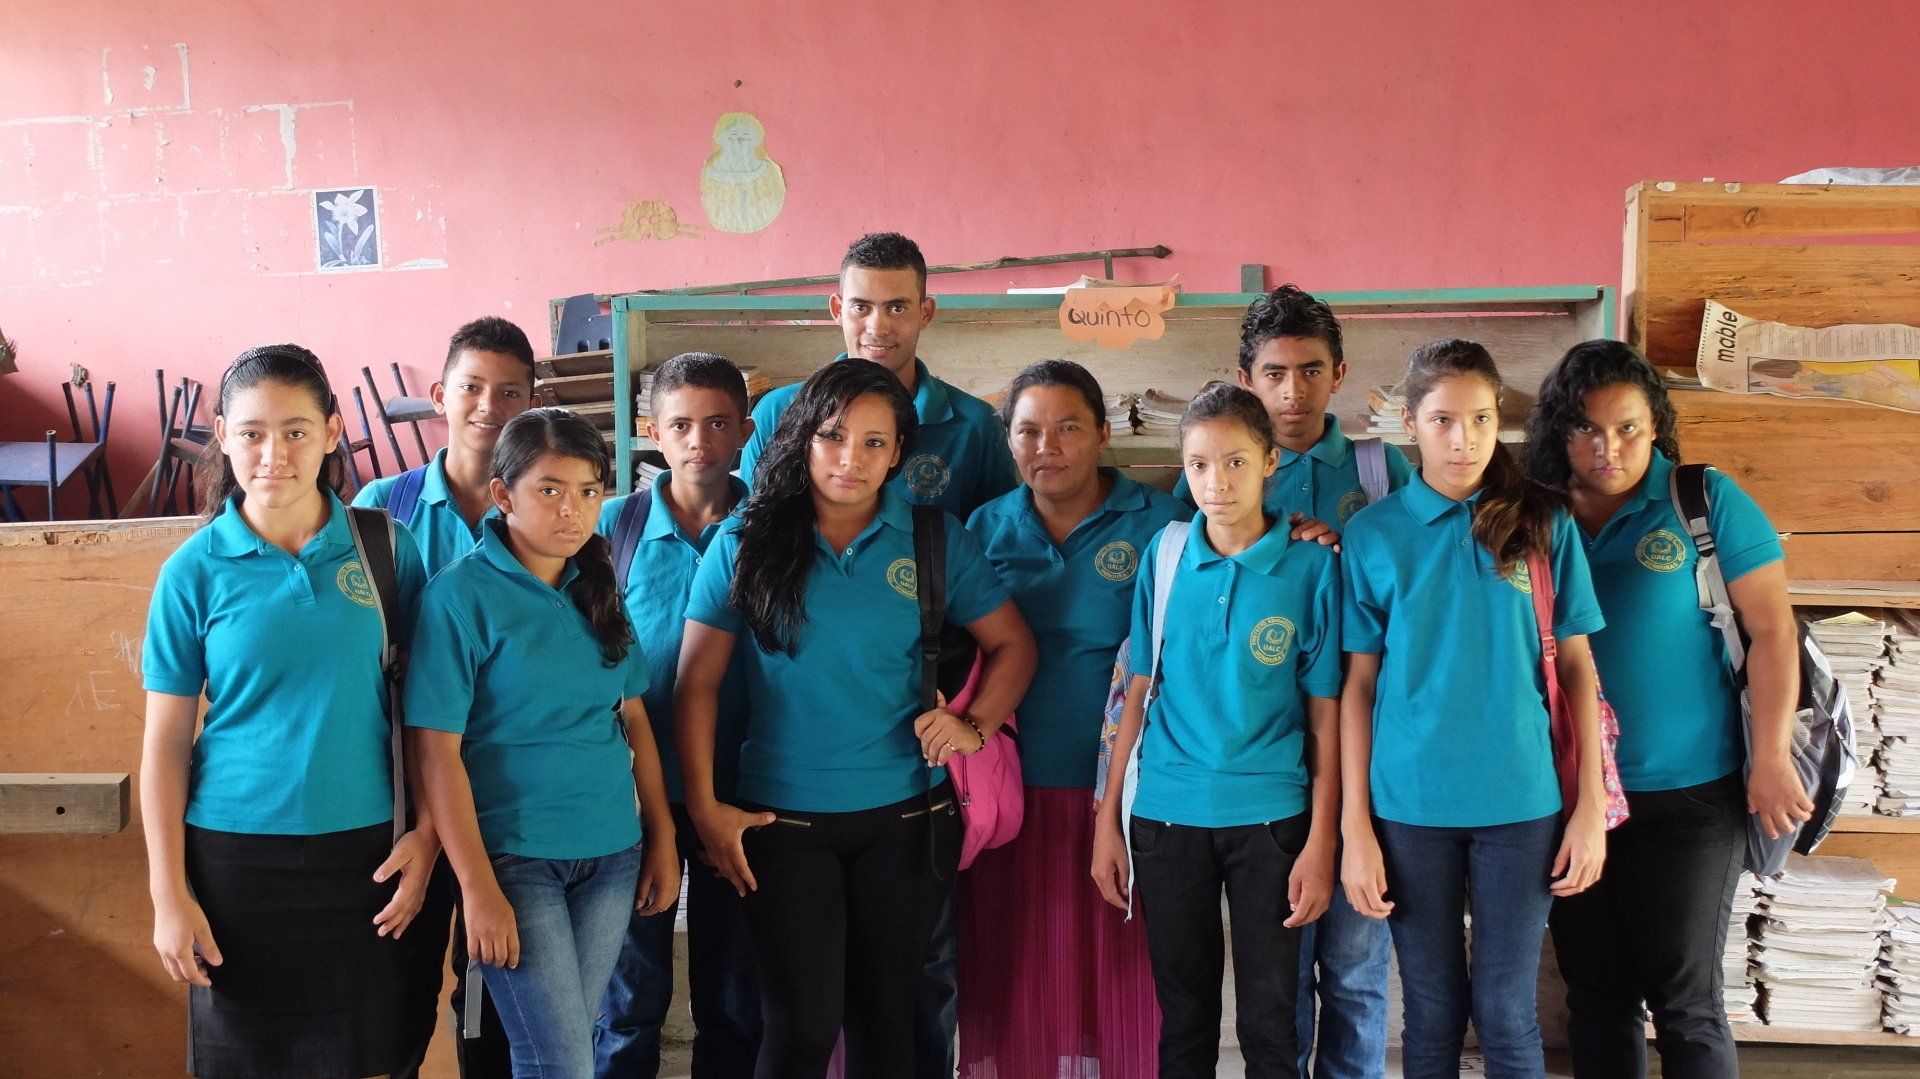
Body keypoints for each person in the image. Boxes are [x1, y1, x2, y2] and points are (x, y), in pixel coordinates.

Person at [677, 359, 1036, 1077]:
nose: (852, 459)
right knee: (800, 1030)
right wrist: (706, 811)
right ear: (804, 437)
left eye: (875, 442)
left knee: (888, 1029)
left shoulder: (934, 538)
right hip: (781, 825)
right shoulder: (746, 541)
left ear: (900, 450)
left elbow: (1014, 645)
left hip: (905, 819)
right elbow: (696, 686)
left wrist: (976, 726)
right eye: (835, 436)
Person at [737, 231, 1018, 1077]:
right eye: (862, 303)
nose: (878, 322)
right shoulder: (776, 417)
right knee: (801, 1012)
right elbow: (761, 559)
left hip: (909, 760)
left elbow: (990, 561)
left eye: (898, 305)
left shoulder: (970, 428)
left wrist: (967, 717)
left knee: (905, 999)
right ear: (836, 308)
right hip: (790, 776)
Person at [141, 343, 433, 1079]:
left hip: (367, 860)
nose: (274, 454)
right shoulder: (193, 571)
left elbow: (430, 715)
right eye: (252, 433)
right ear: (223, 436)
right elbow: (165, 745)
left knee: (365, 1059)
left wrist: (427, 836)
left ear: (333, 430)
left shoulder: (385, 550)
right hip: (233, 866)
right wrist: (168, 893)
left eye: (297, 430)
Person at [1523, 340, 1811, 1079]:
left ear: (1656, 427)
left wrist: (1772, 758)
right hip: (1573, 796)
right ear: (1560, 431)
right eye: (1586, 428)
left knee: (1684, 998)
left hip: (1691, 796)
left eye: (1627, 428)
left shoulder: (1700, 499)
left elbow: (1773, 630)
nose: (1607, 447)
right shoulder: (1533, 515)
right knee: (1595, 995)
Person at [1338, 338, 1608, 1079]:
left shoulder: (1545, 524)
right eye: (1443, 420)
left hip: (1523, 802)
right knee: (1429, 1009)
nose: (1464, 440)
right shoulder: (1373, 535)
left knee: (1505, 1009)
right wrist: (1354, 825)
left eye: (1482, 418)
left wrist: (1588, 808)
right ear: (1408, 424)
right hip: (1408, 804)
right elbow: (1357, 687)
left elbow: (1579, 668)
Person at [405, 408, 681, 1079]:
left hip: (612, 852)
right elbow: (435, 749)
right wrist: (475, 887)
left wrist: (663, 836)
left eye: (589, 491)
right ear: (503, 495)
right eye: (551, 489)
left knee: (564, 1052)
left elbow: (633, 714)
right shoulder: (459, 596)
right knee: (557, 1060)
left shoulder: (595, 584)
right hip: (516, 859)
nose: (573, 510)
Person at [1175, 283, 1407, 1076]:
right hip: (1266, 763)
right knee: (1277, 981)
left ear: (1338, 373)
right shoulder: (1214, 475)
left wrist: (1344, 546)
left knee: (1352, 962)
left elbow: (1415, 587)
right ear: (1247, 377)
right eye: (1273, 373)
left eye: (1310, 371)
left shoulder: (1381, 469)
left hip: (1366, 749)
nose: (1292, 391)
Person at [1092, 381, 1344, 1078]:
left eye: (1235, 461)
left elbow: (1324, 712)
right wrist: (1107, 817)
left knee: (1271, 1021)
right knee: (1185, 1019)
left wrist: (1322, 839)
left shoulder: (1312, 566)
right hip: (1167, 817)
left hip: (1273, 820)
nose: (1216, 481)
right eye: (1199, 464)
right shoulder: (1166, 557)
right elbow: (1134, 694)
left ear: (1269, 462)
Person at [960, 359, 1182, 1078]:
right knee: (1016, 976)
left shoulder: (1161, 524)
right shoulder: (982, 527)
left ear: (1103, 433)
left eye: (1067, 428)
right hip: (1007, 794)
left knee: (1119, 986)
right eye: (1027, 430)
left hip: (1122, 795)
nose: (1046, 445)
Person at [353, 314, 538, 1079]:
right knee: (398, 999)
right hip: (399, 797)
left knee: (500, 1006)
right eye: (470, 386)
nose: (488, 405)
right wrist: (425, 827)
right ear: (438, 394)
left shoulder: (549, 511)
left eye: (508, 391)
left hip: (513, 802)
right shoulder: (375, 513)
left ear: (533, 401)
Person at [593, 353, 762, 1077]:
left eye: (719, 422)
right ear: (651, 432)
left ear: (746, 431)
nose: (701, 439)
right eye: (682, 424)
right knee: (630, 993)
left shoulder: (776, 529)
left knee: (734, 994)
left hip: (744, 792)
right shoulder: (611, 526)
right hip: (638, 794)